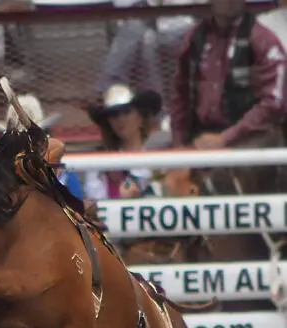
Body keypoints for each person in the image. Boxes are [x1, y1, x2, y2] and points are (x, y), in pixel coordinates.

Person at [170, 0, 287, 151]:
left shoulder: (262, 39)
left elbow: (274, 103)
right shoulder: (194, 39)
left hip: (251, 139)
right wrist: (179, 143)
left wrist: (225, 138)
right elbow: (180, 95)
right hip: (201, 138)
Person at [84, 83, 163, 202]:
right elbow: (95, 207)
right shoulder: (100, 164)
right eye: (113, 114)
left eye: (126, 112)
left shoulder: (162, 155)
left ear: (140, 115)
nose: (120, 119)